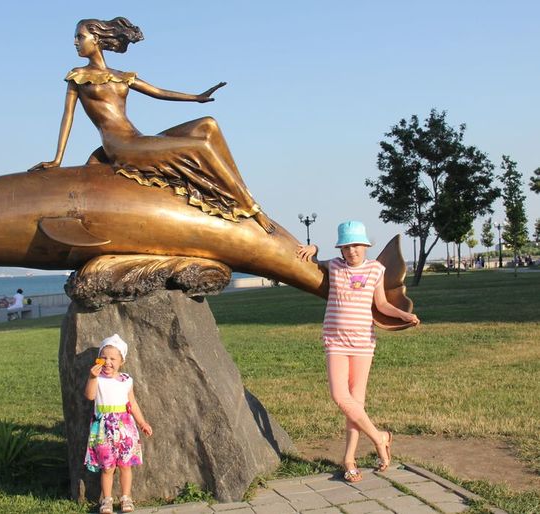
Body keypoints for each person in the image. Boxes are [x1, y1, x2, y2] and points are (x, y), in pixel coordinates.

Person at [29, 17, 275, 234]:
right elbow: (68, 117)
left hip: (136, 138)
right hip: (120, 146)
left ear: (96, 38)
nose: (75, 42)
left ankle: (242, 193)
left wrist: (196, 97)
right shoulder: (78, 76)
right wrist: (57, 158)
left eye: (80, 37)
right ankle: (252, 209)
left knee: (208, 125)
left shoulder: (122, 75)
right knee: (200, 147)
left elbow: (158, 92)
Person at [297, 221, 420, 484]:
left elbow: (381, 304)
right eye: (346, 247)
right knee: (340, 396)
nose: (351, 251)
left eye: (356, 245)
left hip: (363, 343)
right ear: (341, 249)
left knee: (356, 403)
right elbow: (315, 260)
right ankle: (379, 437)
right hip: (335, 342)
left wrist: (403, 315)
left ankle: (349, 459)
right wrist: (314, 246)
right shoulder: (335, 266)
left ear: (365, 246)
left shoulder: (376, 269)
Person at [84, 334, 152, 514]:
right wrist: (92, 377)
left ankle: (126, 497)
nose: (107, 362)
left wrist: (142, 422)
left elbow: (133, 403)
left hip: (124, 427)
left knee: (125, 465)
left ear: (122, 361)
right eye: (103, 357)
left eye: (113, 359)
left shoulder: (126, 380)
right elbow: (90, 396)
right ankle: (106, 499)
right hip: (103, 429)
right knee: (107, 467)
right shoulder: (97, 379)